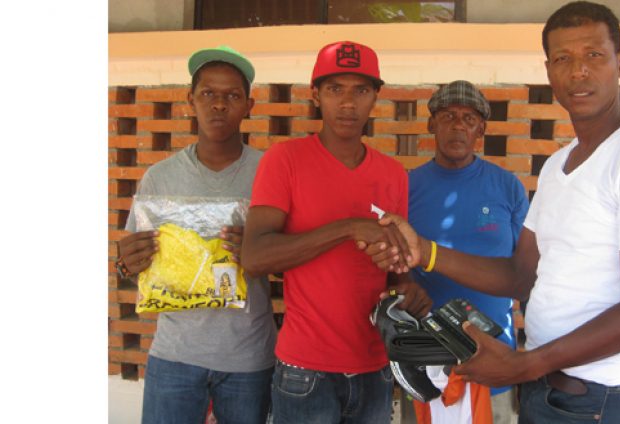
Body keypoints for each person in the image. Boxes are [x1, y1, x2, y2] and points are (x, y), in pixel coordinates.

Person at [363, 2, 620, 422]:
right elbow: (521, 276)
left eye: (594, 54)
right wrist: (424, 251)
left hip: (607, 400)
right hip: (549, 392)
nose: (578, 72)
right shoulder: (559, 165)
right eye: (563, 59)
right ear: (549, 71)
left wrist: (524, 364)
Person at [240, 40, 432, 424]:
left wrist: (408, 287)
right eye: (334, 90)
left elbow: (395, 271)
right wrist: (347, 228)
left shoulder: (392, 174)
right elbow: (255, 257)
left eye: (360, 90)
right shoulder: (285, 160)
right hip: (304, 371)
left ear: (376, 97)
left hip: (376, 367)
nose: (348, 103)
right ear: (315, 96)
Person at [116, 45, 277, 424]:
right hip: (174, 356)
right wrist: (125, 263)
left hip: (249, 358)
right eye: (208, 94)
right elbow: (133, 265)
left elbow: (292, 261)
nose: (219, 105)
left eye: (232, 96)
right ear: (191, 100)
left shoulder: (271, 173)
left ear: (249, 104)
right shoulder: (160, 177)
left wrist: (258, 250)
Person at [408, 80, 529, 424]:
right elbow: (394, 267)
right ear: (432, 124)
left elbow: (528, 274)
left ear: (481, 129)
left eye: (469, 118)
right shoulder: (406, 187)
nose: (458, 125)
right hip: (426, 363)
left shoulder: (508, 188)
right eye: (447, 116)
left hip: (495, 362)